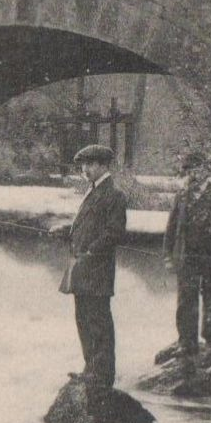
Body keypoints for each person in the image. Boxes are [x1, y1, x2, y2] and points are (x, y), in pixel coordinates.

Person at [58, 144, 129, 390]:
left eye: (90, 165)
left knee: (98, 321)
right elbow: (87, 225)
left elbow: (114, 233)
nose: (85, 170)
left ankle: (102, 374)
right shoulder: (93, 191)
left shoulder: (114, 195)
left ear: (102, 165)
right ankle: (90, 369)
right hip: (83, 269)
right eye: (83, 165)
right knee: (83, 318)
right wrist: (66, 231)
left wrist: (90, 251)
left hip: (96, 270)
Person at [163, 151, 211, 358]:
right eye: (187, 171)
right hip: (187, 256)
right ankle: (187, 342)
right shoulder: (181, 196)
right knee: (186, 300)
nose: (190, 175)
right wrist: (168, 256)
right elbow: (171, 227)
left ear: (205, 170)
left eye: (194, 170)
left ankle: (210, 337)